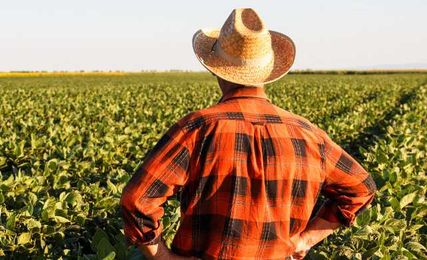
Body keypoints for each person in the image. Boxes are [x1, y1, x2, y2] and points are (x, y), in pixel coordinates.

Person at [120, 8, 377, 260]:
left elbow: (138, 200)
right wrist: (305, 240)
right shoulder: (309, 135)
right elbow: (361, 188)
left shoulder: (197, 129)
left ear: (216, 70)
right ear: (267, 72)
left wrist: (165, 257)